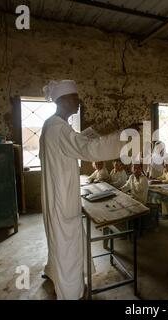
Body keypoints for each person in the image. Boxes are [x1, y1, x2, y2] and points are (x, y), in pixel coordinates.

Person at [39, 80, 124, 300]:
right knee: (67, 248)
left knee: (62, 243)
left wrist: (96, 131)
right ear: (64, 100)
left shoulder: (53, 125)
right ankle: (72, 293)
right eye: (75, 97)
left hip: (58, 196)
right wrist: (122, 138)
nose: (79, 101)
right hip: (62, 198)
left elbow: (76, 140)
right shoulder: (58, 129)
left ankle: (55, 275)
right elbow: (86, 149)